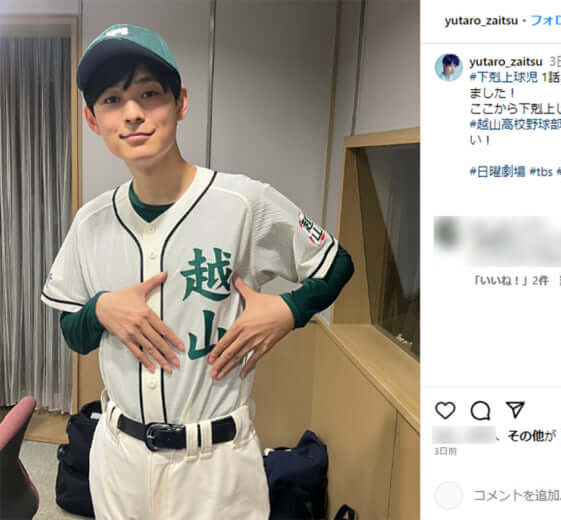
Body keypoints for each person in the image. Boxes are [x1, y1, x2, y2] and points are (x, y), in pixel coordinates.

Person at [41, 24, 353, 519]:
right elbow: (72, 333)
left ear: (181, 102)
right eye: (113, 100)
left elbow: (337, 264)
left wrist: (288, 310)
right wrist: (101, 309)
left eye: (149, 94)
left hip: (215, 465)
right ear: (92, 119)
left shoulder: (243, 202)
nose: (133, 113)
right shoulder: (90, 221)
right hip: (120, 458)